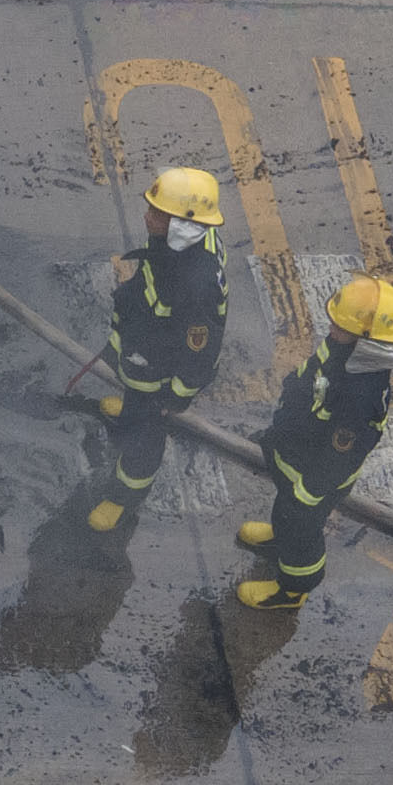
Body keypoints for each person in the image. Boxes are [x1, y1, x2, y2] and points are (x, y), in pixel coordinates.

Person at [233, 277, 393, 612]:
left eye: (341, 324)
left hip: (314, 480)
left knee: (302, 530)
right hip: (297, 459)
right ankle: (279, 538)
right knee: (286, 514)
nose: (331, 326)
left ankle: (292, 589)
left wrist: (309, 492)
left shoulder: (361, 395)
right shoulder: (347, 351)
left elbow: (339, 456)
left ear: (367, 338)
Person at [87, 167, 229, 533]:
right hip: (141, 350)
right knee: (135, 404)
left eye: (157, 213)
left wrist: (174, 398)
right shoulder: (182, 242)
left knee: (143, 442)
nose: (146, 216)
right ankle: (132, 408)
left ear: (183, 224)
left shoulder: (196, 285)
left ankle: (122, 498)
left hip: (157, 376)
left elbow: (199, 353)